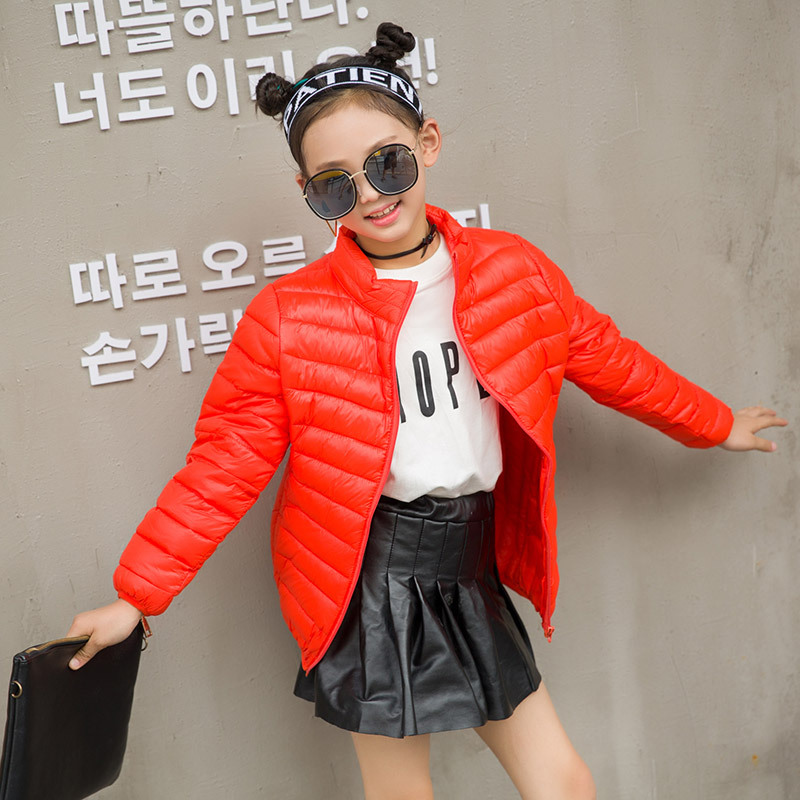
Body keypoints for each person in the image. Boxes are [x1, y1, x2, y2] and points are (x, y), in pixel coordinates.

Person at [66, 22, 787, 800]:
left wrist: (715, 423)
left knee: (564, 784)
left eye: (389, 163)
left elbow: (609, 360)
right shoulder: (288, 319)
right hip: (368, 575)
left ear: (429, 142)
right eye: (336, 184)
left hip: (468, 563)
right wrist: (136, 597)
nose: (372, 195)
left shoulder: (514, 271)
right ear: (309, 194)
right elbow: (225, 463)